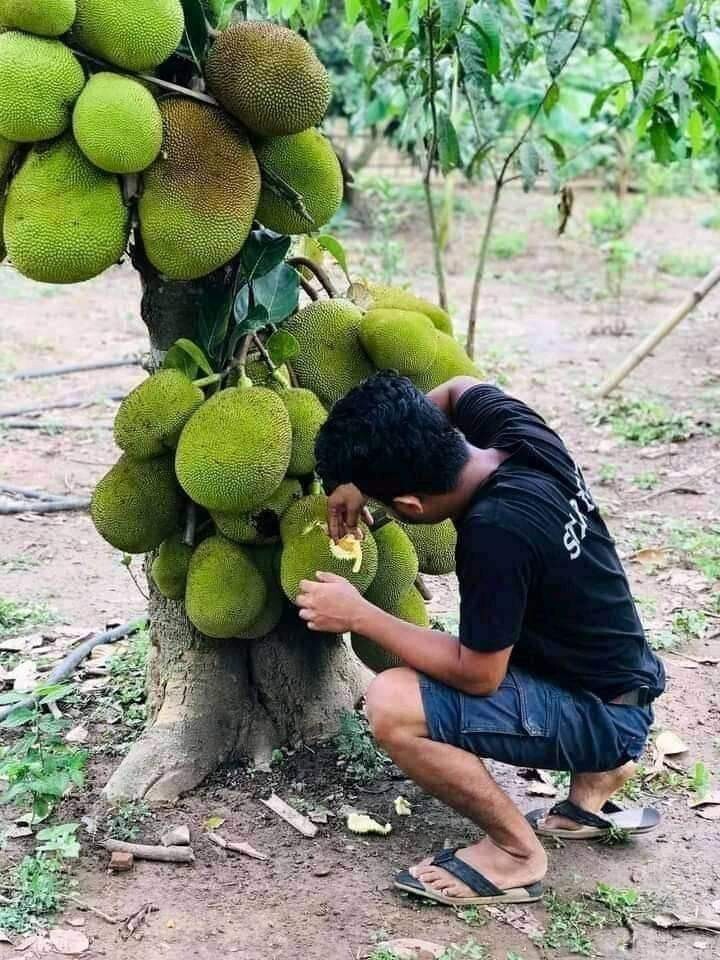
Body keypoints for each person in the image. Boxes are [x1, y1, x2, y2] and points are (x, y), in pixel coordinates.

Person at [295, 372, 665, 907]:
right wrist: (361, 472)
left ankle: (517, 854)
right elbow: (455, 388)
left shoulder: (494, 534)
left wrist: (361, 615)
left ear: (409, 507)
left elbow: (479, 673)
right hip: (618, 679)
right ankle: (596, 782)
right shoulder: (522, 437)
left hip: (605, 713)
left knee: (392, 703)